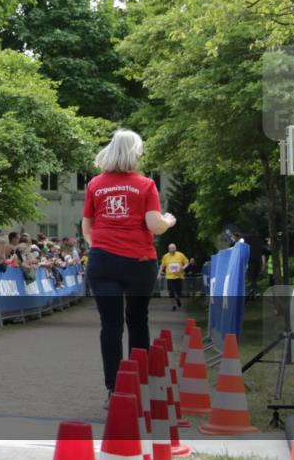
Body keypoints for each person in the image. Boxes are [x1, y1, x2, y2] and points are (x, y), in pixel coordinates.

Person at [82, 129, 176, 405]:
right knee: (137, 320)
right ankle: (140, 384)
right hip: (138, 261)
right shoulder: (146, 185)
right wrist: (169, 220)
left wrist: (100, 245)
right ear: (135, 153)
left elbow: (87, 226)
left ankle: (114, 388)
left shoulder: (95, 184)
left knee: (110, 325)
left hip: (103, 261)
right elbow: (154, 224)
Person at [159, 243, 189, 311]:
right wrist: (159, 274)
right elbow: (162, 266)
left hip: (179, 277)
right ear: (168, 249)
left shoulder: (180, 255)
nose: (172, 249)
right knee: (171, 292)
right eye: (171, 248)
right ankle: (173, 306)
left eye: (173, 248)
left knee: (179, 292)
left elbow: (187, 262)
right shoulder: (165, 256)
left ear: (175, 248)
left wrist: (183, 268)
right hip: (170, 277)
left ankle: (178, 299)